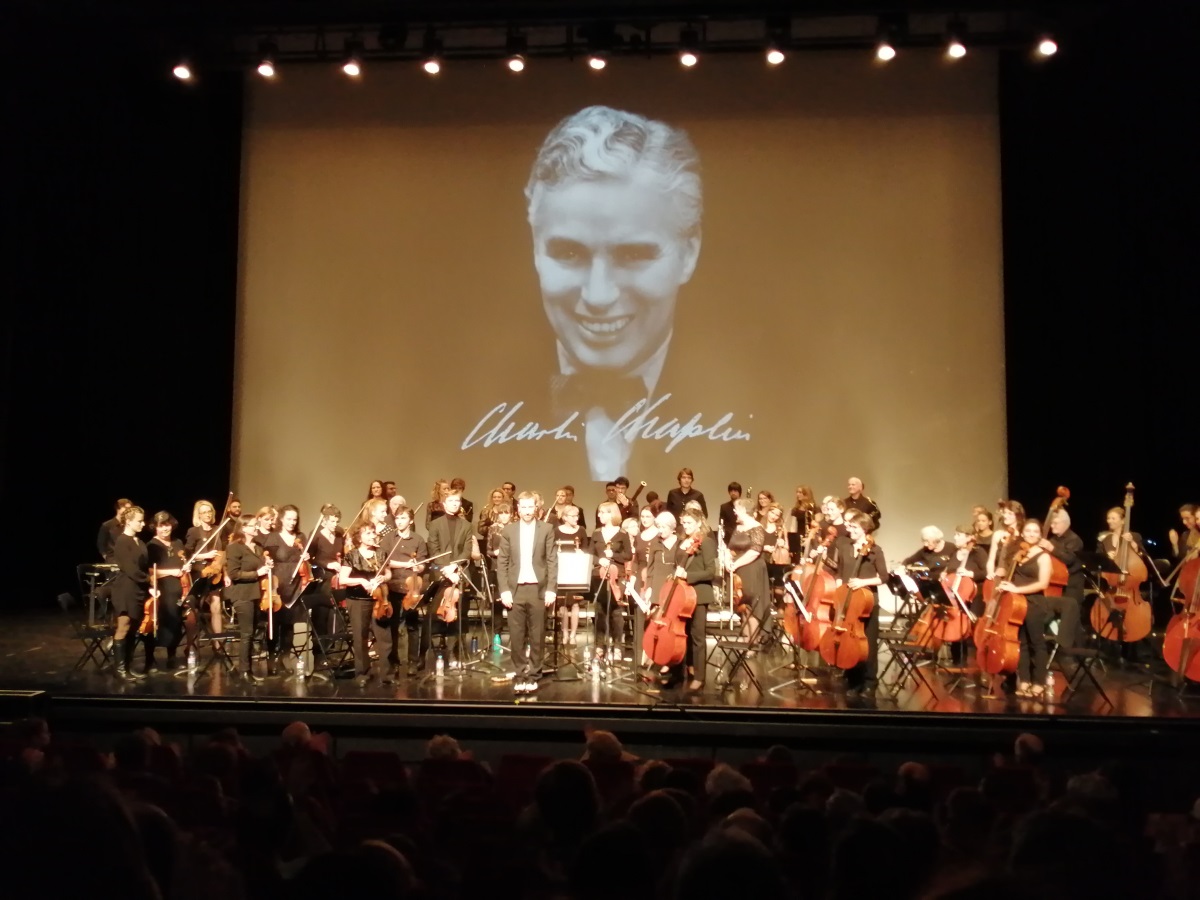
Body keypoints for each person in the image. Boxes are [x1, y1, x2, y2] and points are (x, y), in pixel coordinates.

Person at [527, 104, 703, 481]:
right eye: (569, 253)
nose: (599, 295)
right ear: (535, 249)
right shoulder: (451, 396)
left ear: (689, 253)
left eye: (633, 254)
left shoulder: (773, 393)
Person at [497, 491, 558, 694]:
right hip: (515, 589)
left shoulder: (547, 529)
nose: (527, 511)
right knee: (516, 635)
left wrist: (551, 589)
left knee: (537, 634)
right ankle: (520, 673)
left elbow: (551, 560)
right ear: (518, 509)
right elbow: (502, 562)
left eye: (530, 507)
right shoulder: (509, 530)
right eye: (523, 507)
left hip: (538, 589)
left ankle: (534, 674)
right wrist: (504, 590)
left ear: (536, 508)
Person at [997, 519, 1054, 700]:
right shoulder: (1019, 553)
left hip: (1034, 603)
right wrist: (1005, 585)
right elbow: (1012, 576)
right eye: (1028, 531)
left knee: (1037, 643)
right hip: (1016, 603)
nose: (1030, 534)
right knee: (1020, 642)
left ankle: (1039, 683)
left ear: (1039, 535)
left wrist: (1016, 589)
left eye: (1035, 531)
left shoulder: (1043, 556)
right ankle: (1025, 681)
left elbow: (1042, 583)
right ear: (1022, 533)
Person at [425, 491, 481, 667]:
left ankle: (456, 651)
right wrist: (446, 569)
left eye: (457, 501)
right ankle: (440, 650)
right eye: (451, 501)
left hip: (460, 572)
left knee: (460, 615)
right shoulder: (434, 524)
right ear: (444, 504)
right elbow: (434, 550)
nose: (455, 504)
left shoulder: (466, 525)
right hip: (441, 573)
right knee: (439, 614)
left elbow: (466, 550)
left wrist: (455, 566)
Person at [837, 509, 889, 697]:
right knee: (849, 642)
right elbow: (840, 572)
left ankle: (869, 682)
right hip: (848, 602)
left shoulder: (875, 550)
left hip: (867, 603)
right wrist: (838, 587)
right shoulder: (845, 548)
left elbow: (883, 577)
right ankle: (853, 680)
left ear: (865, 529)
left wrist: (862, 582)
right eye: (849, 526)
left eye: (853, 527)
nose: (849, 529)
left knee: (868, 644)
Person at [378, 505, 427, 680]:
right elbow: (384, 561)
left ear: (411, 521)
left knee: (412, 625)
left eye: (403, 518)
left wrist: (416, 565)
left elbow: (422, 565)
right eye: (397, 518)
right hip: (392, 586)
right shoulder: (389, 539)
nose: (399, 521)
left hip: (411, 587)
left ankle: (413, 662)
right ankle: (394, 662)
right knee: (393, 626)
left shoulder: (418, 540)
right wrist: (403, 564)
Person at [260, 505, 310, 676]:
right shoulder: (273, 537)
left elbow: (306, 559)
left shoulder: (301, 537)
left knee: (290, 624)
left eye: (294, 519)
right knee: (275, 623)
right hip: (276, 585)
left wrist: (307, 556)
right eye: (289, 519)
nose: (292, 522)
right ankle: (272, 657)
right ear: (281, 519)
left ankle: (286, 657)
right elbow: (264, 558)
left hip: (295, 584)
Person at [225, 514, 271, 683]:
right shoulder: (234, 547)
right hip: (242, 594)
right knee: (246, 633)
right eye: (253, 525)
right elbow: (233, 573)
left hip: (256, 594)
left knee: (252, 633)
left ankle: (248, 668)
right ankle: (244, 671)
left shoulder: (258, 547)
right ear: (243, 528)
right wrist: (256, 573)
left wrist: (266, 566)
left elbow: (260, 567)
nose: (256, 528)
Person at [338, 523, 385, 688]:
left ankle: (387, 673)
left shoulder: (380, 553)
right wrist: (361, 580)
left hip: (379, 599)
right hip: (357, 600)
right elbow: (342, 580)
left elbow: (388, 573)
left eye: (373, 532)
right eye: (368, 533)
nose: (372, 535)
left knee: (383, 636)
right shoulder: (352, 555)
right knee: (360, 637)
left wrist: (383, 578)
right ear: (359, 537)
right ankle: (362, 672)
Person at [109, 505, 149, 680]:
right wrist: (149, 580)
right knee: (123, 627)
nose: (143, 524)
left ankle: (128, 666)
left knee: (134, 629)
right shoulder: (122, 541)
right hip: (126, 589)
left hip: (138, 589)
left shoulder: (139, 542)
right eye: (139, 521)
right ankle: (119, 670)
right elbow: (131, 569)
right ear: (129, 521)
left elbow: (144, 566)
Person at [678, 509, 717, 692]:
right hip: (682, 594)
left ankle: (700, 677)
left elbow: (711, 571)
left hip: (699, 594)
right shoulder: (683, 542)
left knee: (698, 636)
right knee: (682, 634)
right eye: (684, 523)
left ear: (699, 523)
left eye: (689, 523)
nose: (686, 527)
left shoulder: (707, 542)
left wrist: (688, 575)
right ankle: (685, 668)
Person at [592, 501, 633, 663]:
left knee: (616, 613)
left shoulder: (622, 534)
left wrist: (613, 556)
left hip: (617, 576)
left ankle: (617, 646)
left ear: (611, 514)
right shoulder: (596, 533)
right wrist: (600, 559)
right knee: (600, 612)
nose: (599, 515)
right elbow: (591, 554)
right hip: (599, 575)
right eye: (599, 512)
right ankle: (600, 646)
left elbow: (628, 555)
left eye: (603, 512)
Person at [145, 511, 186, 672]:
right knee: (155, 624)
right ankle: (150, 659)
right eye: (161, 526)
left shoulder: (178, 543)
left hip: (178, 590)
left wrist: (184, 568)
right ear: (155, 527)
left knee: (176, 623)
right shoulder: (152, 546)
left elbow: (181, 565)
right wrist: (171, 572)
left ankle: (172, 656)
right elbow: (149, 572)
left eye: (167, 525)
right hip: (160, 590)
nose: (165, 529)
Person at [1040, 509, 1084, 656]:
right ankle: (1050, 648)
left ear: (1065, 523)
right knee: (1048, 615)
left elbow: (1069, 559)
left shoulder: (1075, 540)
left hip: (1072, 584)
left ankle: (1076, 653)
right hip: (1055, 585)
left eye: (1055, 522)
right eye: (1051, 522)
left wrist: (1051, 548)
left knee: (1073, 620)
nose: (1052, 525)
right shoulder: (1053, 540)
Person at [726, 499, 769, 642]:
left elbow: (755, 551)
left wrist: (736, 564)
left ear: (744, 510)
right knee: (742, 607)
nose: (734, 512)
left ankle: (753, 643)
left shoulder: (757, 528)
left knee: (751, 608)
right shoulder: (739, 527)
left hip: (752, 569)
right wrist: (727, 560)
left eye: (736, 509)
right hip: (738, 570)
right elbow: (730, 547)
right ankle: (745, 642)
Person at [554, 505, 587, 653]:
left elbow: (586, 549)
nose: (576, 518)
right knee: (562, 603)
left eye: (577, 516)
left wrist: (581, 553)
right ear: (565, 517)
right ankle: (564, 633)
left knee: (574, 603)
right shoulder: (556, 531)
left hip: (575, 570)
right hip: (561, 569)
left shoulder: (581, 531)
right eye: (573, 516)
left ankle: (573, 634)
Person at [788, 485, 817, 557]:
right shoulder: (795, 509)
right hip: (798, 538)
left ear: (806, 494)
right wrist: (792, 546)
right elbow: (793, 527)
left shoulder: (814, 508)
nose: (798, 494)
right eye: (797, 492)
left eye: (800, 492)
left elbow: (817, 524)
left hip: (811, 538)